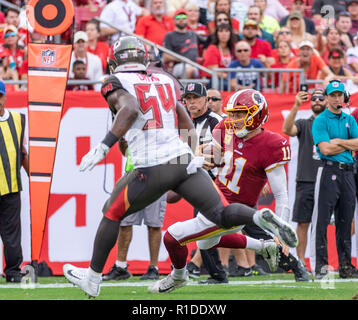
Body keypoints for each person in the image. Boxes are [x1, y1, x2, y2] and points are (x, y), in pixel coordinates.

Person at [62, 36, 298, 297]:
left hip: (151, 164)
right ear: (144, 58)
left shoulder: (115, 82)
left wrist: (104, 145)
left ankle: (93, 278)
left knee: (111, 212)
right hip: (182, 160)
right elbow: (183, 117)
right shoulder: (163, 79)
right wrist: (190, 151)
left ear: (115, 61)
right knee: (219, 214)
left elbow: (128, 110)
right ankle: (258, 218)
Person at [149, 89, 305, 293]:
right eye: (232, 114)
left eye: (240, 114)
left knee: (171, 236)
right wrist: (202, 157)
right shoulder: (225, 128)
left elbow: (281, 194)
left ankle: (178, 276)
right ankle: (263, 246)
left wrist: (281, 228)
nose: (234, 119)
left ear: (256, 115)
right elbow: (212, 155)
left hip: (235, 210)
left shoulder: (272, 144)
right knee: (205, 244)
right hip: (215, 197)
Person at [180, 82, 228, 284]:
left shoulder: (217, 121)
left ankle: (289, 259)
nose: (191, 102)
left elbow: (230, 152)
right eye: (188, 99)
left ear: (206, 100)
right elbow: (185, 159)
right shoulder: (186, 124)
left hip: (217, 181)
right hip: (199, 181)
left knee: (246, 226)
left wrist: (209, 159)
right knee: (204, 228)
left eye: (195, 98)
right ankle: (217, 273)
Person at [311, 79, 358, 279]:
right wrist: (347, 144)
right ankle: (321, 266)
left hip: (348, 172)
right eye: (333, 95)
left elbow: (356, 144)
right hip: (328, 171)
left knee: (345, 221)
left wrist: (339, 142)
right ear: (327, 98)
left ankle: (346, 266)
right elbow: (325, 149)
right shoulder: (321, 120)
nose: (337, 98)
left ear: (343, 97)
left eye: (340, 95)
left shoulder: (350, 120)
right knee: (322, 220)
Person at [102, 149, 167, 281]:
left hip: (157, 177)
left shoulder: (162, 129)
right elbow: (124, 149)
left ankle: (153, 268)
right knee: (125, 223)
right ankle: (120, 267)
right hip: (133, 176)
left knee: (154, 224)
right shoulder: (131, 129)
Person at [282, 89, 326, 266]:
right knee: (303, 223)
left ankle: (322, 261)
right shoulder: (303, 123)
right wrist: (296, 105)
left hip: (329, 179)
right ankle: (300, 262)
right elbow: (287, 129)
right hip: (306, 180)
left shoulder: (333, 124)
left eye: (320, 98)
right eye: (313, 98)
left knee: (336, 222)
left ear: (327, 100)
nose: (316, 100)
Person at [0, 80, 28, 282]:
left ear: (4, 97)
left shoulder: (18, 120)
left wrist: (33, 178)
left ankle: (12, 271)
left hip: (10, 187)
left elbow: (23, 153)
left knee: (12, 234)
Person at [163, 9, 203, 79]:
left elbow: (207, 43)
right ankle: (185, 90)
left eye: (184, 17)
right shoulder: (170, 35)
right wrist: (182, 59)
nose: (181, 19)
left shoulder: (192, 33)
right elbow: (165, 56)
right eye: (178, 18)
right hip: (178, 65)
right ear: (174, 20)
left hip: (195, 65)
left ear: (187, 20)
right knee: (189, 70)